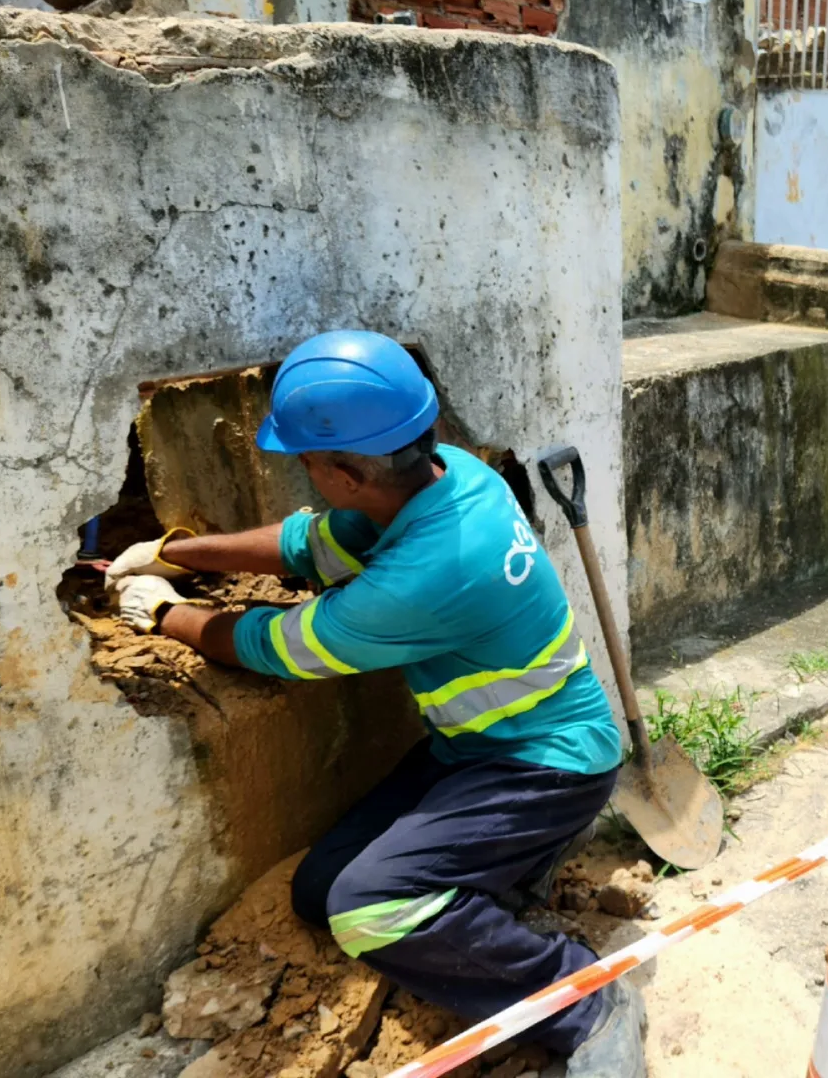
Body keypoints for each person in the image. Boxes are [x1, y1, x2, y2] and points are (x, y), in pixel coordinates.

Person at [106, 330, 644, 1078]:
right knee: (322, 893)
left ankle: (581, 996)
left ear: (351, 473)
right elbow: (308, 544)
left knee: (370, 910)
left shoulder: (426, 573)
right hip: (475, 749)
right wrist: (181, 552)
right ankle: (497, 879)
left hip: (546, 766)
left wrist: (163, 615)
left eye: (309, 462)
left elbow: (277, 646)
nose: (303, 474)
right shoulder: (446, 476)